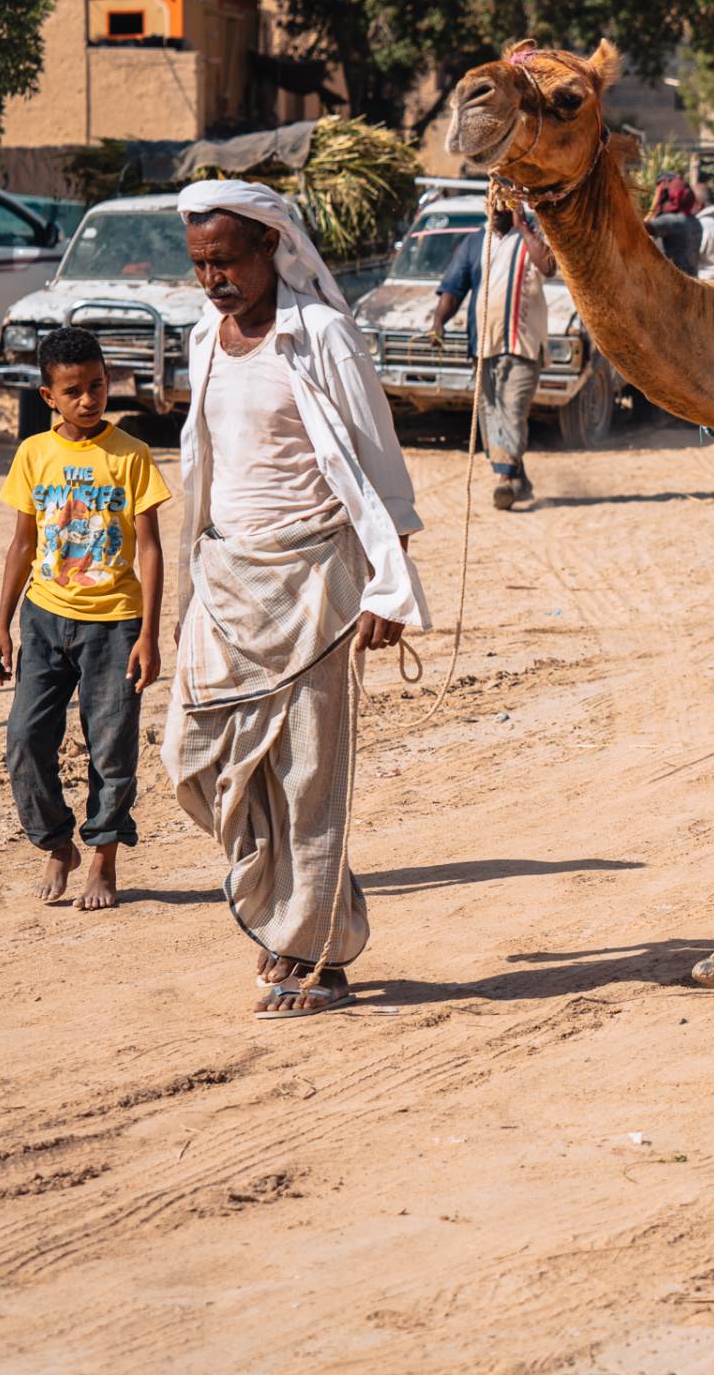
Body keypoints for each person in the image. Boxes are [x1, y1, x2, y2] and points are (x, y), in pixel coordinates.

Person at [162, 180, 428, 1021]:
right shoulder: (206, 338)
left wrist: (389, 585)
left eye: (227, 261)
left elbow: (381, 468)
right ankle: (306, 908)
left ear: (271, 247)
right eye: (201, 264)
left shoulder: (322, 337)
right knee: (190, 759)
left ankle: (311, 952)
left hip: (315, 581)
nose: (214, 280)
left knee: (308, 779)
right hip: (226, 580)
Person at [0, 326, 169, 911]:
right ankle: (56, 841)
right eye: (74, 391)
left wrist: (147, 633)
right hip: (43, 618)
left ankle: (104, 857)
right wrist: (1, 626)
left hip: (115, 624)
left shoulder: (132, 455)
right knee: (24, 738)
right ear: (48, 397)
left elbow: (149, 548)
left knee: (111, 747)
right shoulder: (33, 454)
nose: (89, 399)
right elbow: (21, 545)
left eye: (97, 386)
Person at [431, 200, 557, 511]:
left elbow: (549, 267)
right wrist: (438, 321)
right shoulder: (476, 242)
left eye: (505, 206)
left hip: (523, 344)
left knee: (512, 410)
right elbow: (454, 288)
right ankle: (519, 480)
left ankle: (504, 483)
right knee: (491, 415)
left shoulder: (532, 239)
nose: (498, 211)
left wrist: (523, 227)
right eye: (494, 205)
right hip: (483, 344)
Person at [646, 174, 703, 275]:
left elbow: (638, 228)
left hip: (673, 282)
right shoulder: (695, 221)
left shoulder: (670, 221)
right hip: (692, 280)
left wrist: (655, 204)